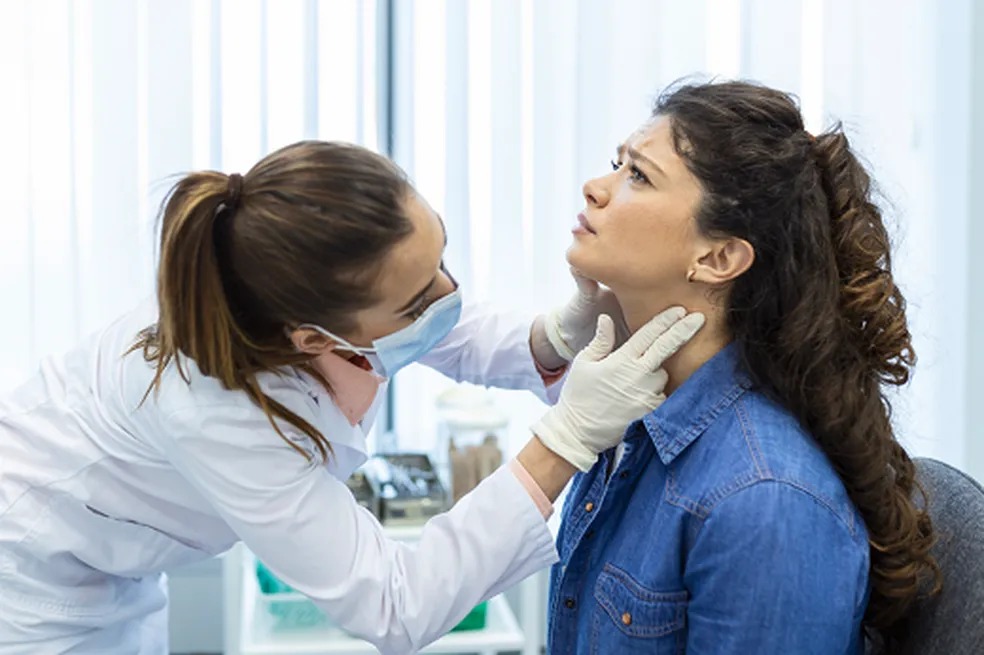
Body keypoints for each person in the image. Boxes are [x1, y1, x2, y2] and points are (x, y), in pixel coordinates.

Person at [0, 140, 705, 654]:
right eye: (421, 297)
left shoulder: (314, 286)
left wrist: (553, 336)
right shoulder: (212, 406)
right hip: (35, 585)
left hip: (114, 565)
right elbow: (393, 605)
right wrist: (565, 440)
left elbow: (436, 330)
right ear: (312, 338)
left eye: (441, 262)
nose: (450, 297)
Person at [545, 80, 940, 654]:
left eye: (638, 175)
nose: (595, 188)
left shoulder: (765, 500)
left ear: (718, 257)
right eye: (616, 163)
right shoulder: (627, 417)